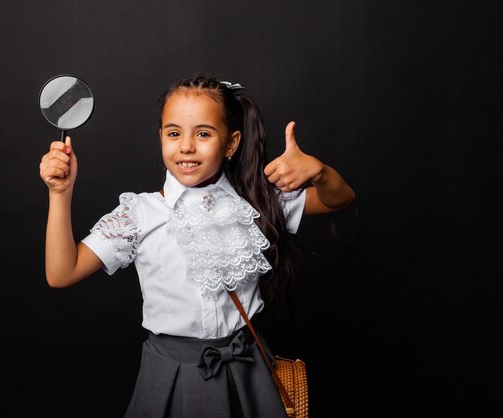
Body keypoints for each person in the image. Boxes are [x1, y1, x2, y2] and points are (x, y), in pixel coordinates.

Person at [39, 74, 355, 417]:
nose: (186, 146)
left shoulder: (256, 200)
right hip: (171, 374)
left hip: (248, 371)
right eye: (174, 133)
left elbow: (339, 200)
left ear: (231, 144)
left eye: (203, 134)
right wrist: (60, 193)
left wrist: (320, 173)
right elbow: (61, 272)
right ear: (160, 136)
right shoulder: (141, 213)